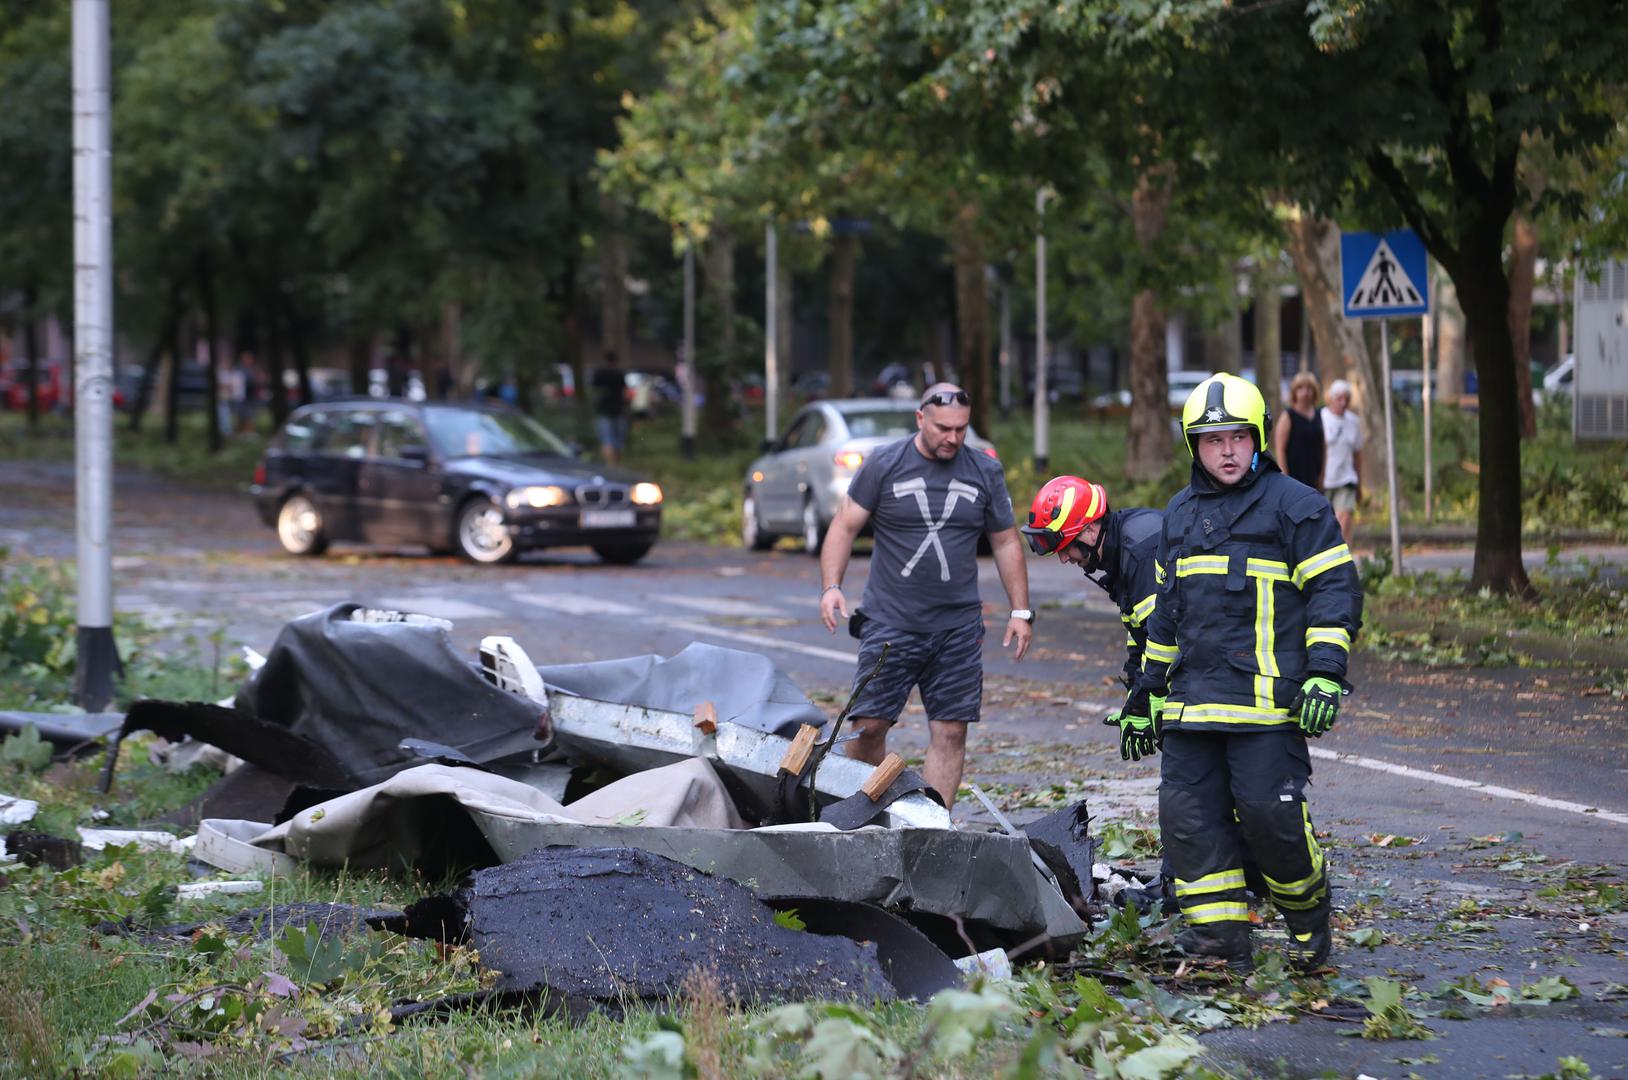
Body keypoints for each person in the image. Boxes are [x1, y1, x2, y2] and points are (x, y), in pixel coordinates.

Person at [1120, 372, 1362, 973]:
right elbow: (1165, 616)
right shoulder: (1178, 514)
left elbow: (1335, 591)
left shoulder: (1298, 507)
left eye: (1236, 437)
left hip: (1267, 711)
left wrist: (1326, 673)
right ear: (1193, 446)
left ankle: (1308, 917)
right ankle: (1219, 943)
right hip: (1191, 711)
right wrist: (1145, 695)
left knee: (1269, 819)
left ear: (1257, 438)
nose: (1225, 451)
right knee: (1188, 824)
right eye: (1210, 440)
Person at [819, 383, 1033, 809]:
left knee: (951, 730)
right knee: (868, 727)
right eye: (943, 428)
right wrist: (831, 587)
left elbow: (1006, 541)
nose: (952, 438)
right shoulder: (886, 463)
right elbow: (844, 526)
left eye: (961, 429)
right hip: (889, 623)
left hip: (957, 629)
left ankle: (932, 826)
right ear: (920, 419)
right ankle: (864, 814)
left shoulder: (983, 471)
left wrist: (1020, 610)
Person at [1321, 378, 1364, 544]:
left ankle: (1344, 556)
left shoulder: (1353, 422)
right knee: (1326, 522)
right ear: (1331, 398)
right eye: (1340, 398)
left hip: (1346, 478)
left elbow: (1358, 454)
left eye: (1347, 398)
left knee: (1344, 516)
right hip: (1325, 479)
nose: (1343, 402)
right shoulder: (1322, 417)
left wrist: (1359, 482)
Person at [1272, 372, 1325, 492]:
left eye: (1309, 388)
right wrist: (1285, 479)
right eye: (1300, 388)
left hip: (1314, 477)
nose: (1305, 392)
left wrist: (1322, 475)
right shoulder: (1288, 416)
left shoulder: (1319, 415)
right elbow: (1280, 449)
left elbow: (1323, 446)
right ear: (1294, 392)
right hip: (1294, 477)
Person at [592, 350, 629, 465]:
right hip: (618, 410)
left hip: (603, 410)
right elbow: (625, 393)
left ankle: (609, 464)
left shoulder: (599, 374)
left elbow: (594, 392)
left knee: (606, 439)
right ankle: (616, 464)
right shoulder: (619, 374)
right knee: (618, 440)